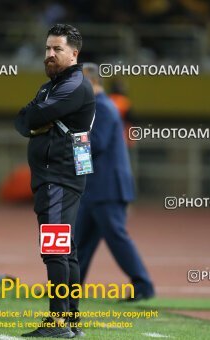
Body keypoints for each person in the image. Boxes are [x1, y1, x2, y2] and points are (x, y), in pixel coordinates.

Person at [15, 24, 95, 338]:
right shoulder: (51, 87)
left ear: (74, 53)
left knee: (55, 250)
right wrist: (33, 118)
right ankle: (71, 321)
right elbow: (22, 120)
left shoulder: (74, 86)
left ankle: (58, 322)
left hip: (58, 178)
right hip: (56, 177)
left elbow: (30, 118)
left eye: (57, 49)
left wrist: (36, 119)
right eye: (47, 49)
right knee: (66, 249)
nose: (50, 54)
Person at [75, 63, 155, 301]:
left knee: (116, 238)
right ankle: (65, 286)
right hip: (95, 188)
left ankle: (143, 285)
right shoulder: (97, 108)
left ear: (92, 82)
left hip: (107, 188)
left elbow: (95, 144)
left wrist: (71, 142)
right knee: (79, 242)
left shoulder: (103, 108)